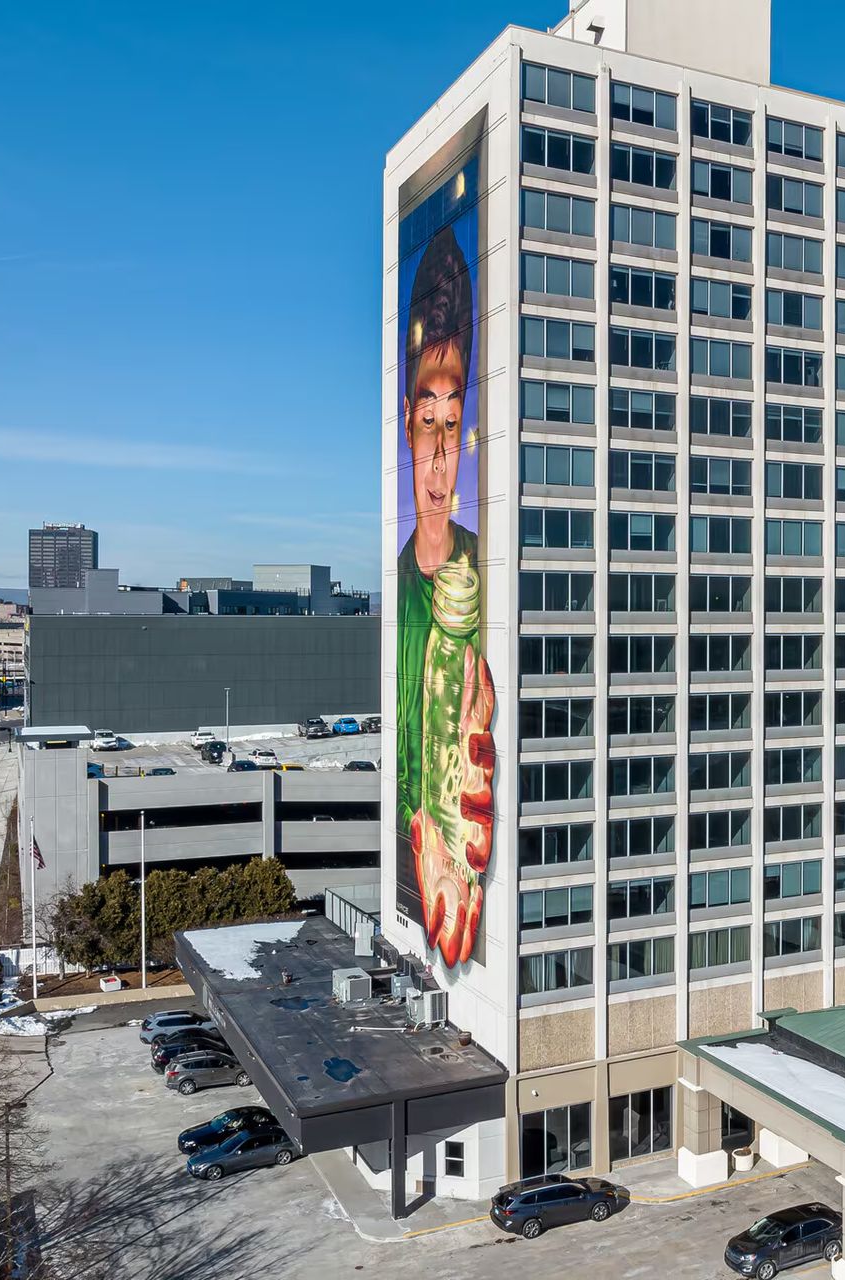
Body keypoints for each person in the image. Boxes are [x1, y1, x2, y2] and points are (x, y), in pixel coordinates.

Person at [395, 220, 496, 968]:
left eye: (452, 423)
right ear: (407, 426)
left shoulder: (484, 569)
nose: (436, 454)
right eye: (426, 420)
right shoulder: (402, 591)